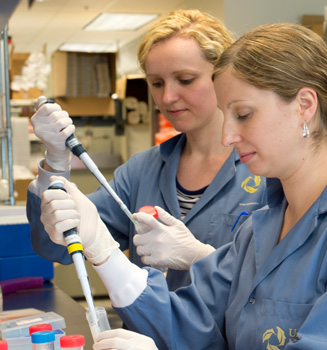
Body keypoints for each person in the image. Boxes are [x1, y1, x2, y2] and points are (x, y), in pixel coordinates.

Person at [39, 23, 327, 349]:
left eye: (243, 115)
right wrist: (103, 250)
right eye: (227, 116)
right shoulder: (261, 227)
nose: (228, 136)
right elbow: (186, 322)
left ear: (305, 106)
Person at [28, 9, 266, 290]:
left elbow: (281, 285)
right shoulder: (141, 171)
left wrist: (201, 257)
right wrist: (56, 162)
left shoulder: (265, 169)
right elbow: (56, 248)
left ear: (223, 75)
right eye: (157, 83)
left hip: (227, 335)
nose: (168, 97)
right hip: (142, 334)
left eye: (186, 80)